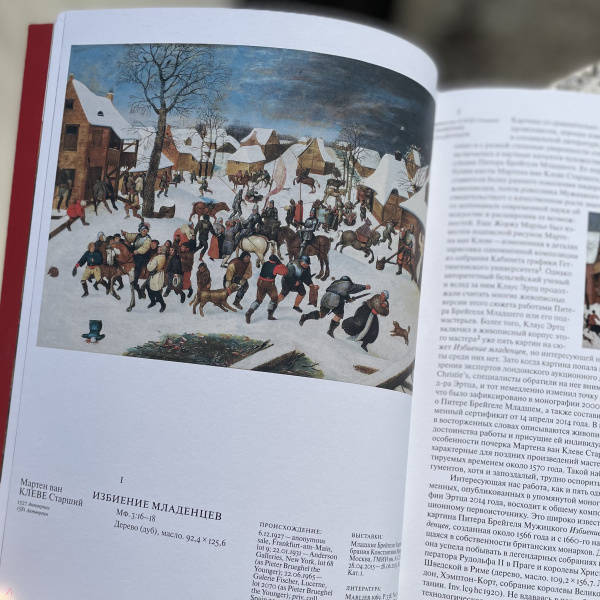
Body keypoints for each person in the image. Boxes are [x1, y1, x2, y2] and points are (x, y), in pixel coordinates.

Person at [299, 276, 371, 338]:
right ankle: (330, 331)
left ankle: (306, 316)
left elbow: (343, 292)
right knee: (339, 315)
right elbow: (353, 288)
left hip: (326, 297)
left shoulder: (336, 283)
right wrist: (364, 287)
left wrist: (349, 299)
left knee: (322, 314)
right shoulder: (347, 283)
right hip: (335, 299)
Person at [245, 254, 288, 323]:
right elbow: (285, 272)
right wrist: (280, 263)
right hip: (269, 284)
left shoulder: (265, 263)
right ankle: (270, 315)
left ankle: (249, 312)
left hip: (260, 282)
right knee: (274, 299)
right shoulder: (276, 266)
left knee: (258, 300)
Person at [121, 223, 152, 293]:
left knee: (138, 264)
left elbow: (145, 247)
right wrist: (125, 234)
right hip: (135, 250)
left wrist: (137, 251)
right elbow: (130, 236)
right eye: (143, 230)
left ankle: (135, 281)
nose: (144, 232)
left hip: (143, 254)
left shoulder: (148, 239)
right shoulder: (137, 235)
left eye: (145, 230)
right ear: (140, 231)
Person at [146, 246, 167, 312]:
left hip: (155, 276)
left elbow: (149, 268)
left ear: (162, 251)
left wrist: (149, 262)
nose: (158, 250)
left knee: (156, 291)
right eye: (158, 249)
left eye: (159, 249)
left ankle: (163, 304)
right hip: (159, 275)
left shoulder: (156, 258)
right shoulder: (164, 257)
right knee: (149, 287)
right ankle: (153, 302)